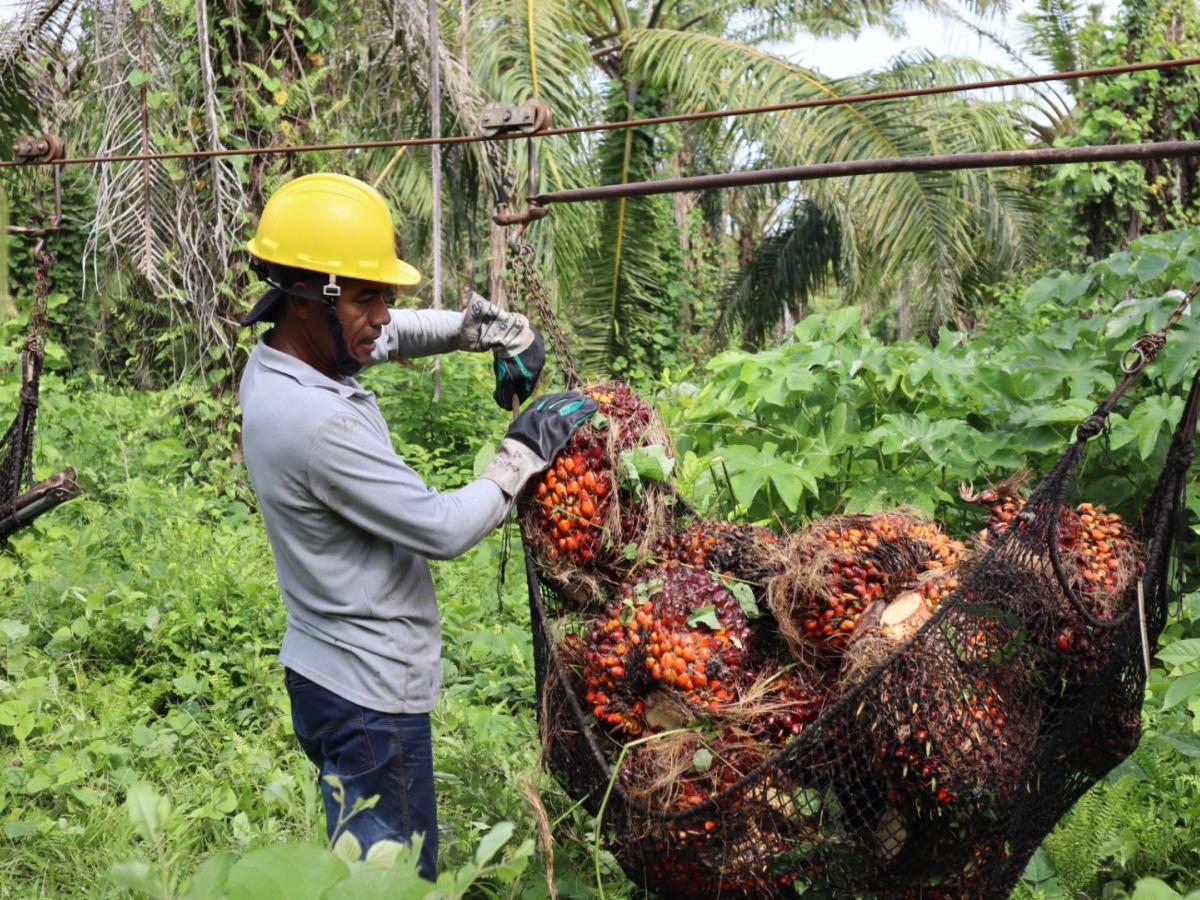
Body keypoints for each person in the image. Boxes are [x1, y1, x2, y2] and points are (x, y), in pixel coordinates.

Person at [236, 172, 596, 880]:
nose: (384, 317)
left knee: (359, 874)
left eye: (386, 298)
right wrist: (520, 453)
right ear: (310, 297)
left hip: (326, 671)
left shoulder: (282, 355)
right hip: (368, 699)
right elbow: (441, 528)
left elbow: (387, 335)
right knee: (394, 886)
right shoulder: (319, 424)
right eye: (368, 299)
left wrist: (477, 329)